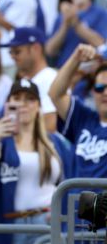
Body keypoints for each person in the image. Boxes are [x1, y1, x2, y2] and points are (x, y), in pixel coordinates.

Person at [0, 79, 70, 244]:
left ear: (38, 106)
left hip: (48, 220)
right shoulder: (2, 139)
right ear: (8, 104)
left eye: (29, 99)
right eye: (17, 98)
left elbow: (68, 178)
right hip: (13, 223)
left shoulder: (54, 143)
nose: (23, 104)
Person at [48, 43, 107, 179]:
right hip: (75, 199)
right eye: (99, 87)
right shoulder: (84, 118)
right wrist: (76, 57)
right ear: (93, 92)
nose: (105, 93)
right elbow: (55, 94)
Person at [1, 27, 58, 132]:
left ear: (36, 48)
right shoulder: (25, 80)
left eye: (17, 52)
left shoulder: (51, 78)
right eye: (11, 52)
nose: (13, 56)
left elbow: (51, 124)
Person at [45, 0, 107, 68]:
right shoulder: (61, 16)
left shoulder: (101, 14)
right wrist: (65, 24)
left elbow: (101, 44)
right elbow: (49, 50)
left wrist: (76, 23)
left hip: (87, 74)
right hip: (62, 70)